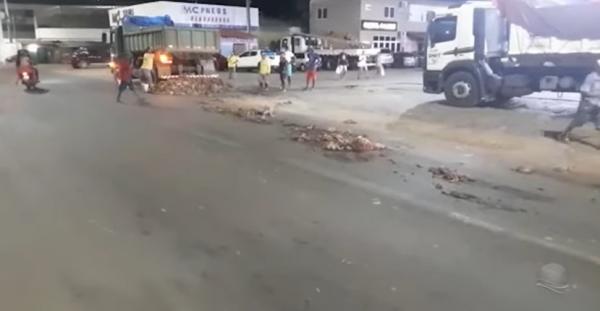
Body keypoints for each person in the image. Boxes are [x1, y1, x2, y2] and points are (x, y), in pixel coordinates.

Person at [559, 59, 600, 141]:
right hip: (588, 103)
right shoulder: (591, 77)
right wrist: (596, 95)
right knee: (579, 121)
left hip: (598, 104)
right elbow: (584, 92)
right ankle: (564, 134)